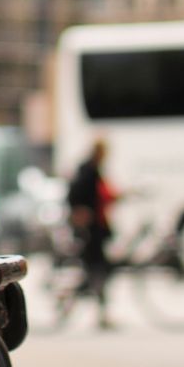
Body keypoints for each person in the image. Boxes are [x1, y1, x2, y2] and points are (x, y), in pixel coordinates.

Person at [66, 138, 118, 330]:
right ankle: (100, 313)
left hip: (97, 227)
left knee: (96, 269)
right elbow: (79, 196)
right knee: (97, 269)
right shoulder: (88, 171)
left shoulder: (91, 170)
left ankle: (97, 310)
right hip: (92, 229)